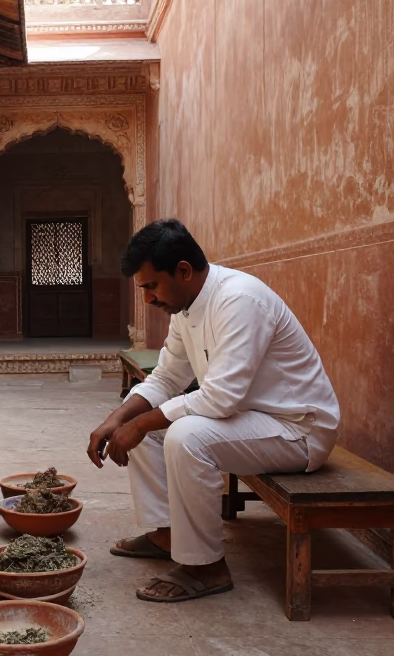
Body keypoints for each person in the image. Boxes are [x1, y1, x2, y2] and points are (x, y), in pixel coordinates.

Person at [87, 219, 340, 602]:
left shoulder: (239, 300)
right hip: (250, 420)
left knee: (186, 436)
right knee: (146, 422)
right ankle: (165, 533)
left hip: (297, 430)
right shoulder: (186, 308)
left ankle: (205, 567)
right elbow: (166, 378)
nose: (148, 300)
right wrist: (117, 419)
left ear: (183, 271)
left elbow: (220, 398)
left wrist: (141, 423)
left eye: (152, 286)